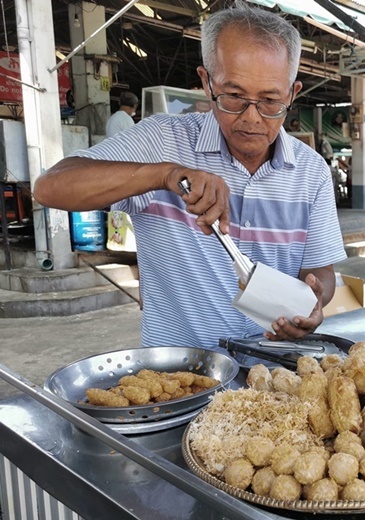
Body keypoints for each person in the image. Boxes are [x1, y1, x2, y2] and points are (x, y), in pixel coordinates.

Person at [34, 2, 345, 349]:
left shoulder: (311, 171)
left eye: (271, 101)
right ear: (206, 82)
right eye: (234, 96)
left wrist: (315, 301)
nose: (252, 118)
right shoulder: (162, 141)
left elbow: (321, 272)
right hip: (180, 379)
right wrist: (166, 175)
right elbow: (51, 187)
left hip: (276, 376)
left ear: (292, 93)